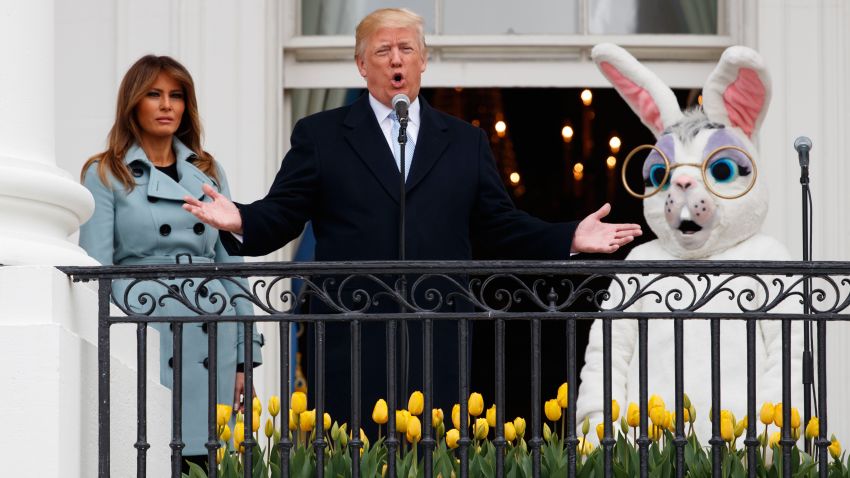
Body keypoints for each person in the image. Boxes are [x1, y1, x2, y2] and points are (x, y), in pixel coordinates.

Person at [183, 8, 641, 428]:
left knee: (434, 451)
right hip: (351, 330)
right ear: (362, 66)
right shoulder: (321, 136)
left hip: (438, 330)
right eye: (383, 50)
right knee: (352, 452)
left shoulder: (464, 142)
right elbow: (282, 214)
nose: (395, 60)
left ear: (423, 61)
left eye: (407, 49)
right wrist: (240, 218)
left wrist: (570, 237)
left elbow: (500, 226)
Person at [79, 55, 263, 472]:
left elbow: (232, 268)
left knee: (210, 458)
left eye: (176, 96)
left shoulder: (208, 172)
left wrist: (245, 360)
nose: (167, 105)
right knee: (148, 452)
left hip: (211, 327)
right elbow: (96, 272)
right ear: (133, 104)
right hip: (144, 329)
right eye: (154, 94)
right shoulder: (106, 172)